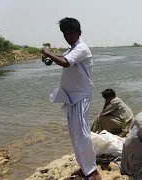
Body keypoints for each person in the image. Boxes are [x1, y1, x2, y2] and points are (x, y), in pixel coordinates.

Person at [41, 17, 101, 180]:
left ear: (79, 33)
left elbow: (66, 62)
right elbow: (63, 55)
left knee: (81, 134)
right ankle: (85, 167)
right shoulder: (73, 48)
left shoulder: (81, 48)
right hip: (72, 98)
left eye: (71, 33)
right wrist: (50, 56)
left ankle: (93, 172)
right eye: (65, 33)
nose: (68, 36)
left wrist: (48, 53)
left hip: (81, 97)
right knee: (75, 135)